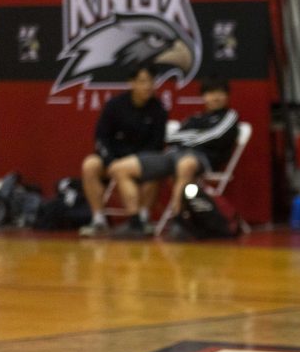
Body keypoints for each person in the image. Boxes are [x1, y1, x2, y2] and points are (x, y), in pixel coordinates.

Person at [107, 76, 239, 238]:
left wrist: (187, 139)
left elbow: (216, 136)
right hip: (172, 155)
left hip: (202, 158)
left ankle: (179, 221)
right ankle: (137, 221)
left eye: (219, 93)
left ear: (227, 95)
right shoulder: (195, 118)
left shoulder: (230, 116)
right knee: (119, 168)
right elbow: (171, 138)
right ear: (203, 96)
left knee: (185, 165)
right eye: (211, 93)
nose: (215, 97)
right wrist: (188, 137)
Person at [79, 64, 167, 237]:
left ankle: (141, 218)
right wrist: (111, 161)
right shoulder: (114, 105)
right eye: (142, 82)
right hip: (113, 158)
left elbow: (157, 145)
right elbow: (101, 138)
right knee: (90, 165)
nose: (148, 86)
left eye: (151, 81)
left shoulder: (159, 110)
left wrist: (132, 164)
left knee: (156, 168)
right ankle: (98, 219)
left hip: (141, 161)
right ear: (131, 83)